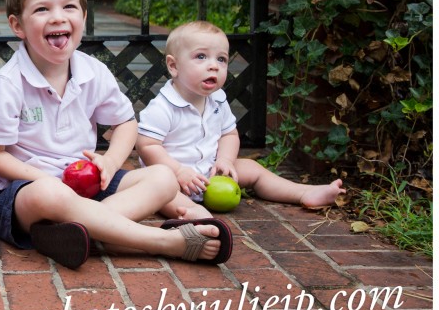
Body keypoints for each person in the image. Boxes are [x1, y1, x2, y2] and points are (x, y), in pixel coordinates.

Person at [0, 0, 232, 269]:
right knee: (50, 194)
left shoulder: (92, 71)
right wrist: (46, 178)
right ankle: (162, 241)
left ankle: (78, 232)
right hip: (28, 193)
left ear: (83, 17)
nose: (58, 17)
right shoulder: (5, 84)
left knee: (164, 178)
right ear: (18, 25)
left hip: (91, 184)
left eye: (69, 7)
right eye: (42, 9)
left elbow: (125, 123)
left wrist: (110, 162)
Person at [137, 20, 346, 219]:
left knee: (251, 169)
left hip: (210, 172)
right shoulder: (163, 107)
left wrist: (225, 160)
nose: (214, 66)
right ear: (174, 66)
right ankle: (194, 213)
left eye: (221, 59)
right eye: (201, 56)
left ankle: (302, 192)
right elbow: (147, 146)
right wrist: (178, 171)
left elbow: (229, 134)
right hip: (172, 177)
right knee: (160, 193)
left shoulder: (217, 100)